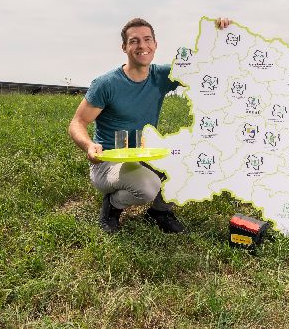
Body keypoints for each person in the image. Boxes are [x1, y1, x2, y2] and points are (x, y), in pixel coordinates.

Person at [69, 17, 232, 234]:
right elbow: (77, 123)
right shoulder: (106, 84)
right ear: (124, 47)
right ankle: (113, 206)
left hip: (145, 155)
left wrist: (218, 36)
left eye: (147, 40)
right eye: (134, 41)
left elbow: (202, 67)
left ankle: (160, 211)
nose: (142, 46)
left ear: (155, 45)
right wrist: (89, 145)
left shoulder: (161, 75)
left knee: (198, 162)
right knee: (149, 186)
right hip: (109, 163)